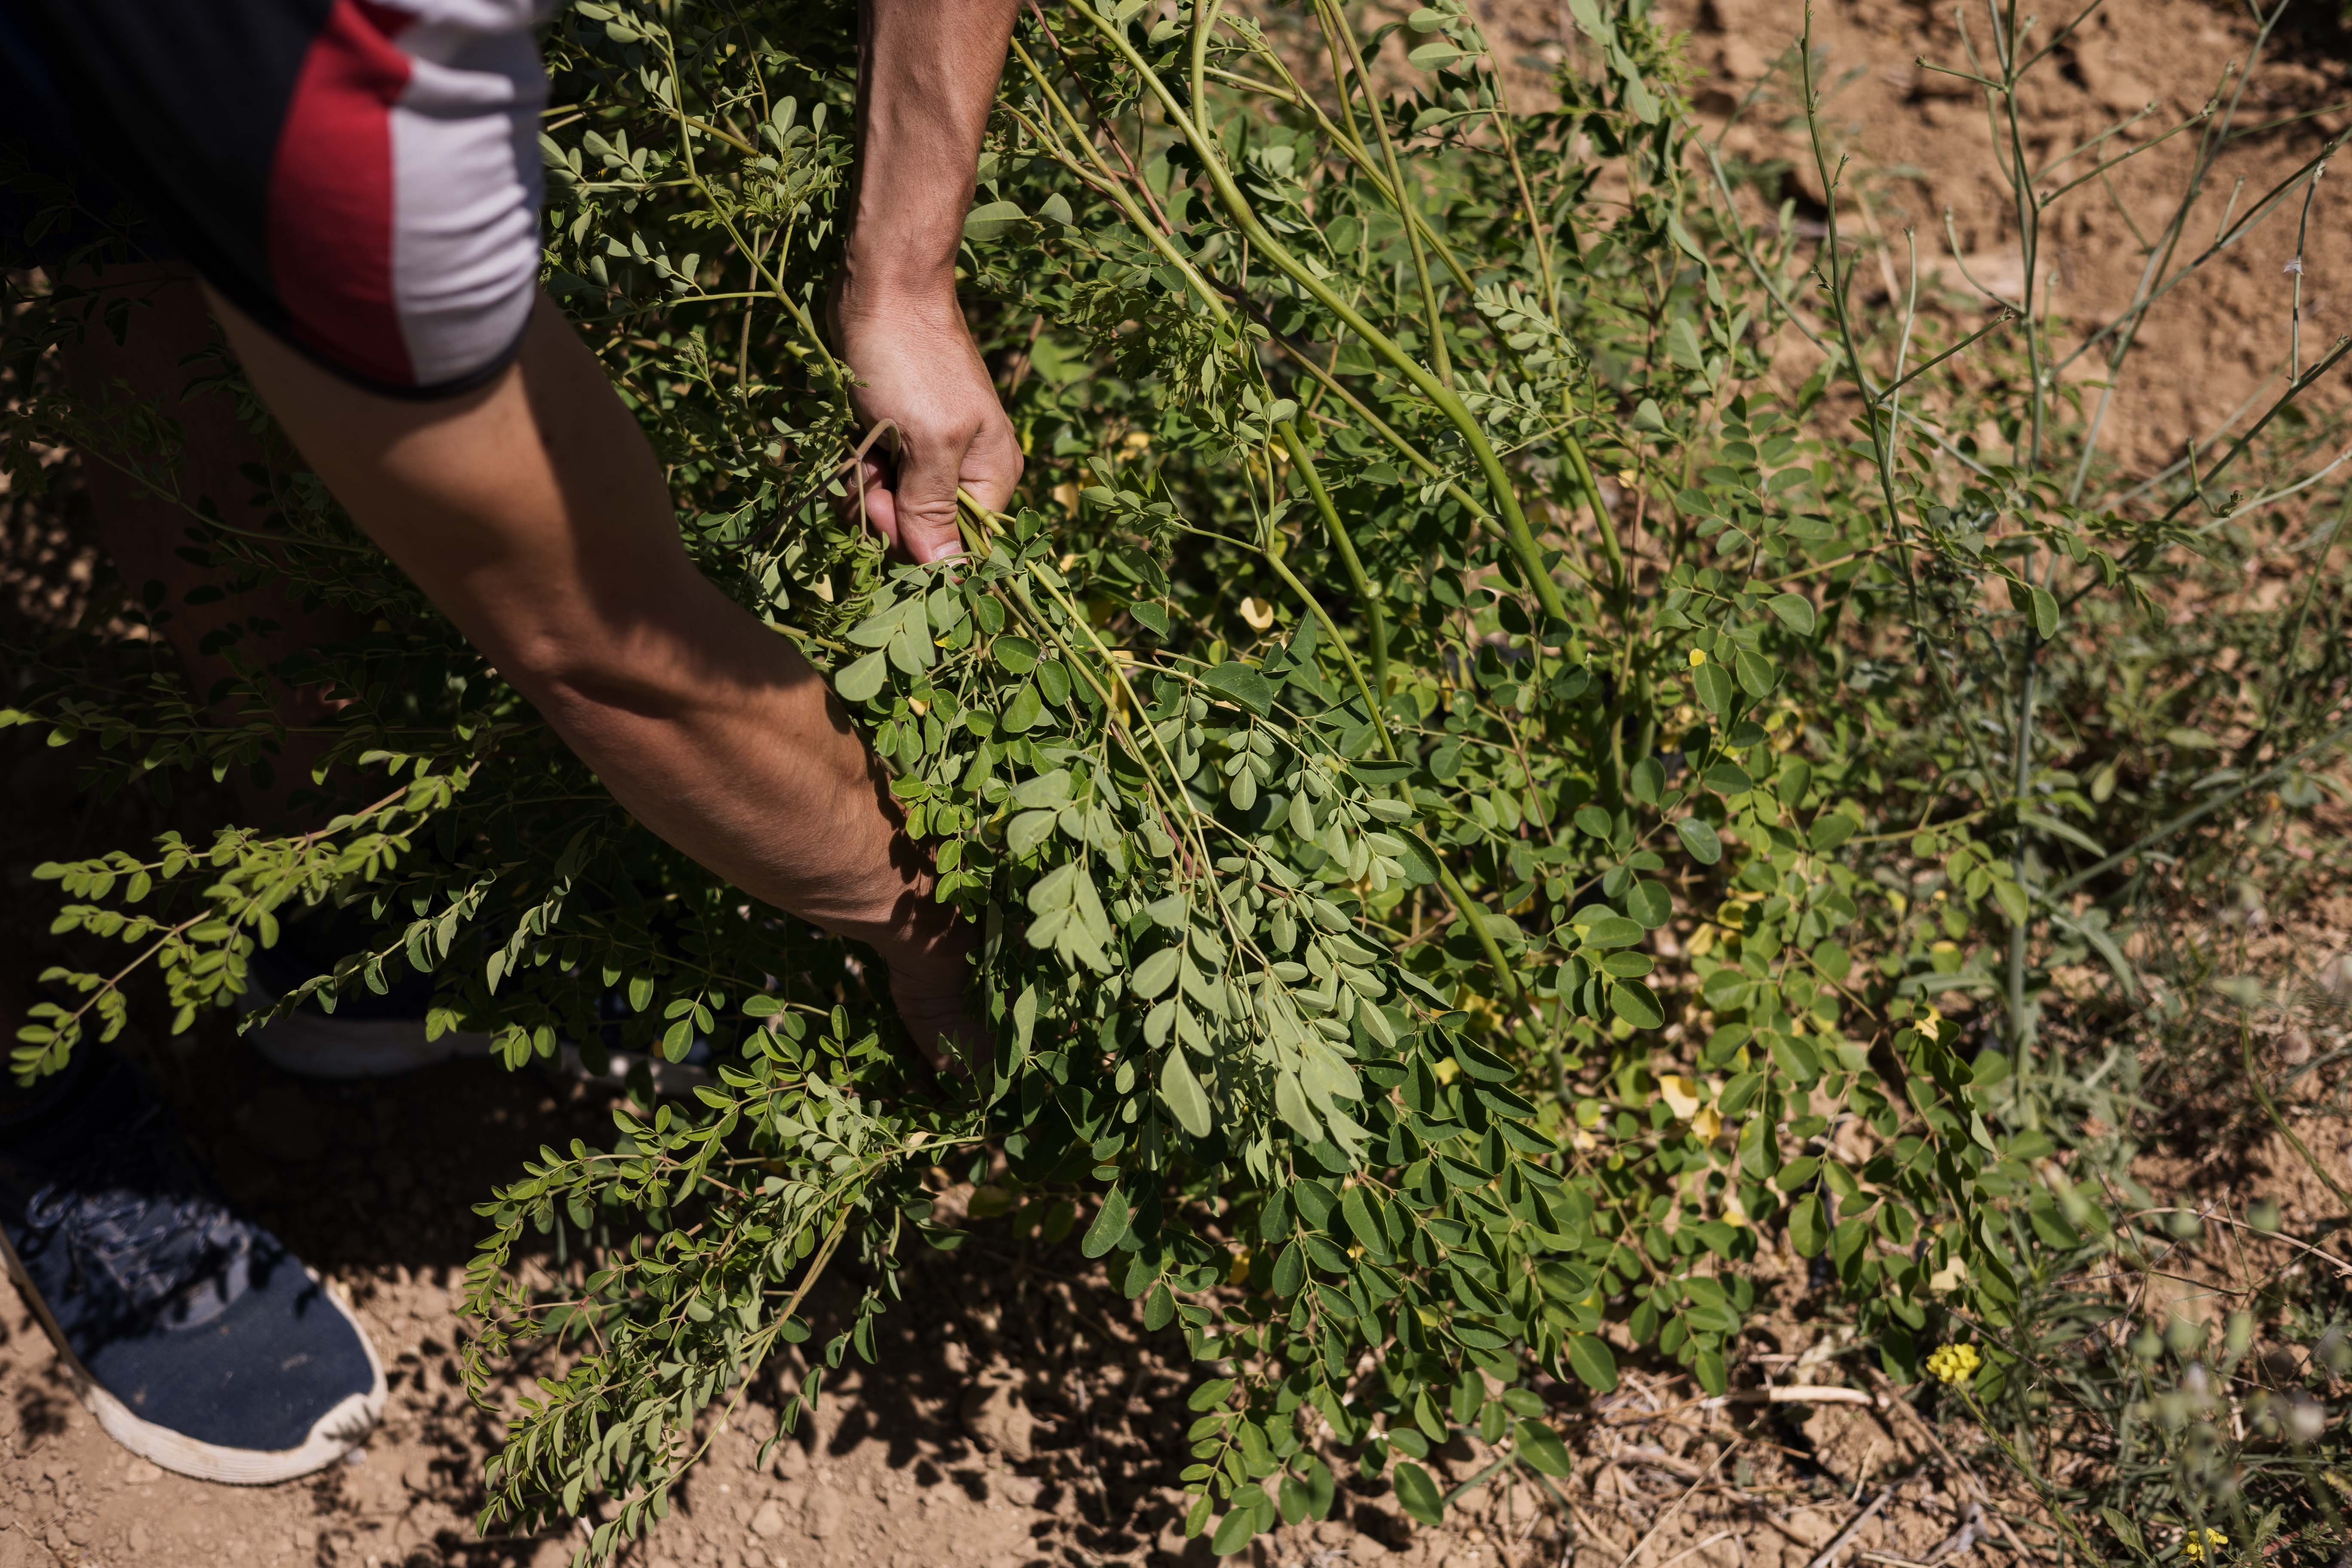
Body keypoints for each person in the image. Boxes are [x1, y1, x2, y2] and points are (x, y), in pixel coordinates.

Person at [0, 0, 1022, 1485]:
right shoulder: (356, 81)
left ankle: (327, 921)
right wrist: (927, 916)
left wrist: (906, 275)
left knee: (144, 246)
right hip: (260, 66)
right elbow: (613, 652)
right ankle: (38, 1104)